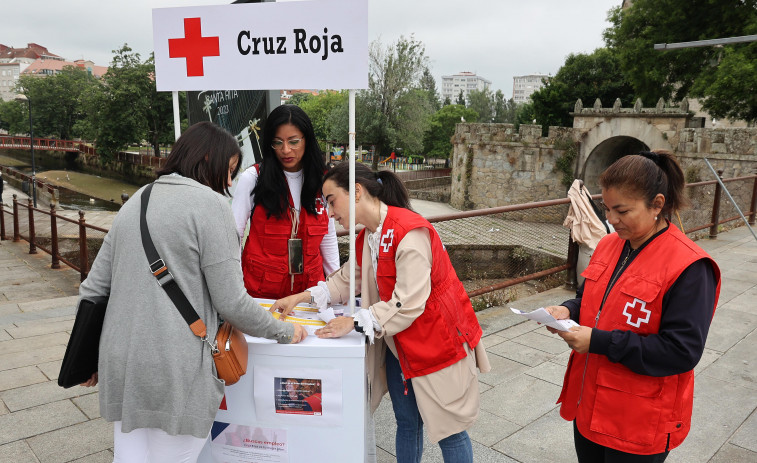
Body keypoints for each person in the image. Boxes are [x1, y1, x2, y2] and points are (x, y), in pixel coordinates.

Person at [78, 122, 307, 463]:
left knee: (131, 457)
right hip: (176, 363)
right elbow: (231, 301)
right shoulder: (211, 206)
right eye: (228, 171)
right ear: (206, 159)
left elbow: (94, 288)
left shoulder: (136, 201)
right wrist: (284, 331)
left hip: (122, 359)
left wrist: (86, 356)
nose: (229, 183)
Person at [271, 162, 491, 463]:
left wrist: (354, 322)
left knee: (450, 431)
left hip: (437, 344)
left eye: (332, 201)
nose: (330, 212)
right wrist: (301, 296)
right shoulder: (369, 236)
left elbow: (409, 302)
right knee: (407, 423)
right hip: (400, 345)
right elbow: (347, 280)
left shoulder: (408, 231)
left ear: (357, 192)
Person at [545, 150, 720, 463]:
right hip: (590, 404)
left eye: (622, 211)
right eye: (607, 208)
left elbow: (682, 351)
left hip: (638, 421)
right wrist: (568, 310)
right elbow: (590, 298)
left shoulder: (689, 267)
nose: (611, 220)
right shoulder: (610, 244)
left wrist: (597, 341)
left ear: (657, 204)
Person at [231, 105, 338, 299]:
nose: (285, 150)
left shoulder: (323, 181)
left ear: (308, 140)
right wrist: (235, 289)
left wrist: (336, 288)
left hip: (310, 292)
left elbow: (328, 235)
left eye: (294, 141)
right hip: (260, 292)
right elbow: (234, 235)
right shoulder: (253, 178)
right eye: (277, 142)